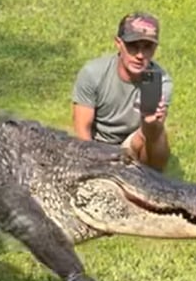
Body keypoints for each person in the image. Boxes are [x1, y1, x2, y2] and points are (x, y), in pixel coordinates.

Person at [71, 12, 174, 171]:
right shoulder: (93, 73)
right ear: (119, 43)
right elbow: (82, 129)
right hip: (98, 144)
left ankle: (150, 180)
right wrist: (92, 163)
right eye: (133, 46)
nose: (140, 55)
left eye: (147, 48)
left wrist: (151, 123)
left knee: (158, 136)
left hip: (134, 143)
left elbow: (152, 140)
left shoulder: (161, 81)